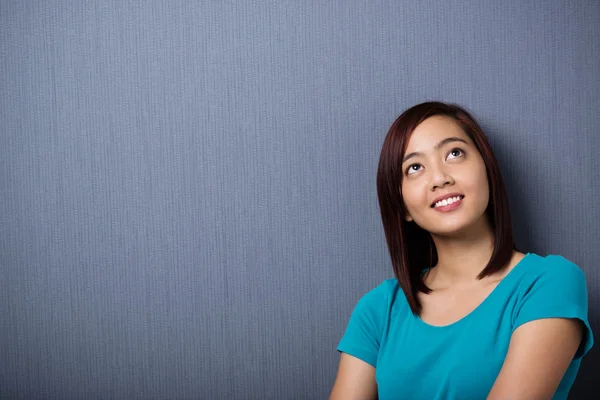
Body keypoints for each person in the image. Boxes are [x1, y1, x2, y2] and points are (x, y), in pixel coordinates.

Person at [329, 102, 594, 400]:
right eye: (414, 168)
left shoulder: (549, 283)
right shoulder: (379, 309)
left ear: (487, 168)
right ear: (402, 206)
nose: (440, 178)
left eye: (454, 153)